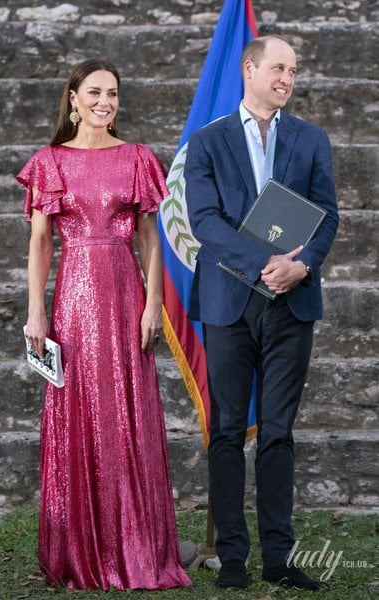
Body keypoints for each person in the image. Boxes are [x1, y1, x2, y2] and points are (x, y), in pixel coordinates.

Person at [17, 58, 192, 591]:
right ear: (73, 98)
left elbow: (150, 238)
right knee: (79, 411)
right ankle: (81, 547)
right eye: (93, 92)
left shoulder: (137, 158)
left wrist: (153, 304)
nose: (104, 102)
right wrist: (36, 310)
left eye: (112, 93)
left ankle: (134, 545)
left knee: (128, 412)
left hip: (125, 295)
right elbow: (41, 242)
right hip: (73, 300)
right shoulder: (49, 161)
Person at [184, 35, 339, 591]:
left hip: (293, 302)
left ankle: (279, 557)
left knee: (278, 432)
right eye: (278, 68)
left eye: (293, 70)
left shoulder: (311, 138)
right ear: (248, 69)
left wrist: (302, 266)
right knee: (227, 430)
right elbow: (204, 219)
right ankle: (232, 557)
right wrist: (265, 264)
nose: (287, 79)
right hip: (228, 302)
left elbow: (327, 215)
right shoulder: (208, 141)